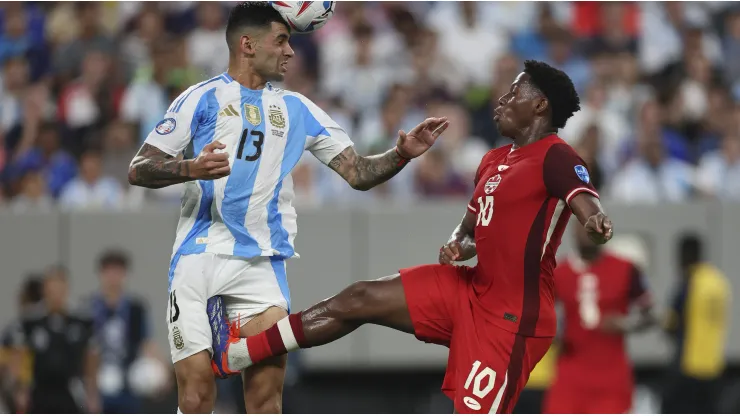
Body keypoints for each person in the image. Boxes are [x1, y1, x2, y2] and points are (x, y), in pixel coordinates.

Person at [210, 60, 614, 414]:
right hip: (471, 289)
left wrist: (597, 224)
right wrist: (459, 242)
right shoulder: (493, 160)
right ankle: (239, 353)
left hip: (512, 317)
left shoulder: (557, 156)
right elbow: (471, 228)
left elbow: (588, 209)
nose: (502, 100)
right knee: (360, 298)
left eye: (513, 93)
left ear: (540, 105)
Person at [126, 2, 448, 414]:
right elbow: (139, 169)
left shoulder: (298, 109)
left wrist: (400, 155)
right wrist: (191, 167)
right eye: (281, 41)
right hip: (198, 255)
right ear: (247, 44)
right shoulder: (201, 98)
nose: (290, 52)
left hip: (261, 264)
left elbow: (359, 173)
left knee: (265, 400)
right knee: (195, 396)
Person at [543, 222, 656, 414]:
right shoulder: (559, 272)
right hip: (571, 374)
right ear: (572, 232)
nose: (586, 233)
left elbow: (650, 315)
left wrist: (626, 324)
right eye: (581, 226)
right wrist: (551, 333)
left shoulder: (626, 269)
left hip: (611, 377)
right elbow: (540, 314)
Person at [10, 266, 99, 413]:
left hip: (72, 388)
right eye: (52, 289)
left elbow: (91, 357)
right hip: (39, 388)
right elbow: (20, 355)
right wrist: (21, 388)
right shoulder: (30, 320)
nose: (56, 294)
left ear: (67, 290)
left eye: (60, 289)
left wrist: (92, 392)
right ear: (44, 290)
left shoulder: (82, 320)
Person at [662, 235, 731, 414]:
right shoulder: (718, 281)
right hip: (714, 365)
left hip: (689, 366)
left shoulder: (689, 282)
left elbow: (671, 323)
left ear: (683, 255)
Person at [90, 249, 165, 413]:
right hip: (101, 367)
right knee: (107, 380)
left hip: (130, 367)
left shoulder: (136, 307)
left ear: (125, 274)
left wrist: (163, 368)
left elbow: (146, 342)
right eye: (109, 272)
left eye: (118, 272)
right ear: (101, 274)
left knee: (152, 373)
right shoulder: (90, 307)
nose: (113, 278)